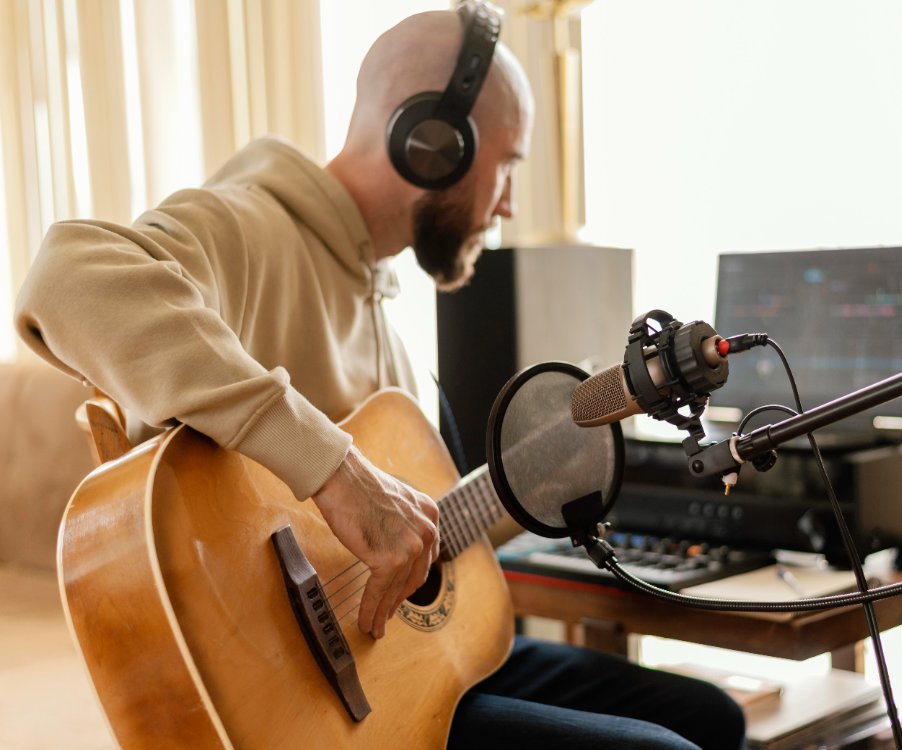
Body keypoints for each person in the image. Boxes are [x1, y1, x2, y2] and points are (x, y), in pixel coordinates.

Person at [14, 4, 744, 749]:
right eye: (510, 164)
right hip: (309, 710)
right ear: (436, 143)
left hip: (395, 668)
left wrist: (570, 434)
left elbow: (414, 539)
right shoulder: (248, 228)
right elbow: (69, 276)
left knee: (712, 716)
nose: (510, 203)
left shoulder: (386, 324)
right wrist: (335, 470)